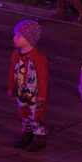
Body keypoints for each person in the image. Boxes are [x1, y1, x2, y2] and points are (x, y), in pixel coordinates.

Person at [8, 19, 49, 151]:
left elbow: (43, 78)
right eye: (15, 35)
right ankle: (27, 133)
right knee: (24, 113)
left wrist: (42, 96)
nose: (15, 38)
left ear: (29, 39)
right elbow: (12, 72)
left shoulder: (38, 58)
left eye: (19, 36)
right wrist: (11, 87)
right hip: (21, 92)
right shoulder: (16, 55)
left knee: (35, 115)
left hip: (34, 95)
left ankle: (39, 137)